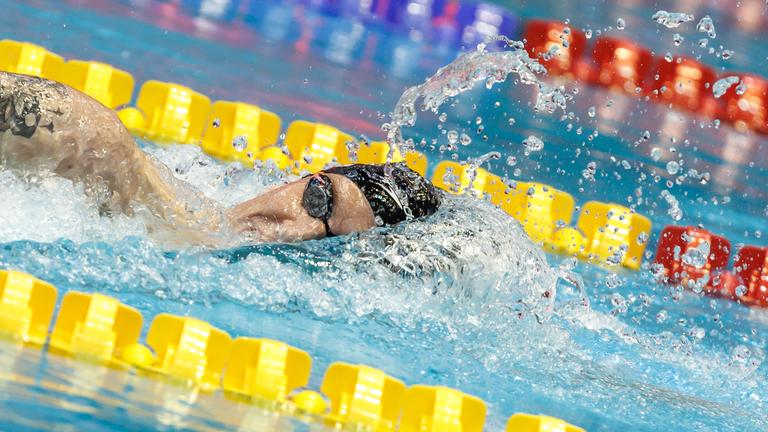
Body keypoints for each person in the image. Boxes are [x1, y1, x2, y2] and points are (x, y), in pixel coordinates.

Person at [0, 72, 443, 244]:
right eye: (319, 201)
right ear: (310, 176)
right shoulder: (99, 147)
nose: (299, 230)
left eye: (326, 241)